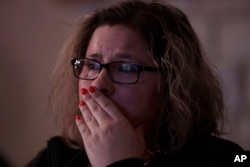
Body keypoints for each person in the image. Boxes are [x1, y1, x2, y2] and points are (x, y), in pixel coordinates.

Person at [26, 0, 245, 166]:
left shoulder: (226, 157)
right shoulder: (56, 157)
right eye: (92, 65)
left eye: (125, 68)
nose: (99, 84)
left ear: (171, 84)